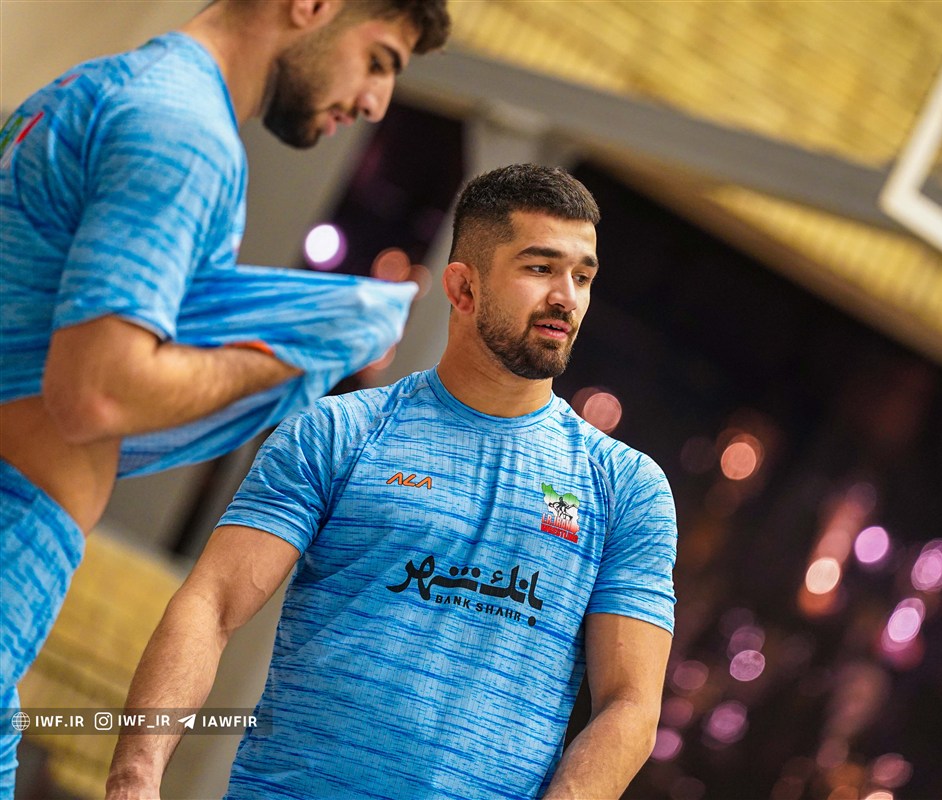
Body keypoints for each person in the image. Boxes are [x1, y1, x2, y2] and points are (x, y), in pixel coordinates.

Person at [105, 164, 678, 799]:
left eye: (582, 276)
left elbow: (629, 705)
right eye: (540, 268)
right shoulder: (339, 433)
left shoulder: (625, 487)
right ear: (462, 287)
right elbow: (210, 605)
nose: (566, 297)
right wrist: (136, 777)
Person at [0, 0, 450, 788]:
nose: (376, 101)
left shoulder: (102, 86)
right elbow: (97, 394)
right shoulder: (186, 133)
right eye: (378, 60)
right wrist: (286, 354)